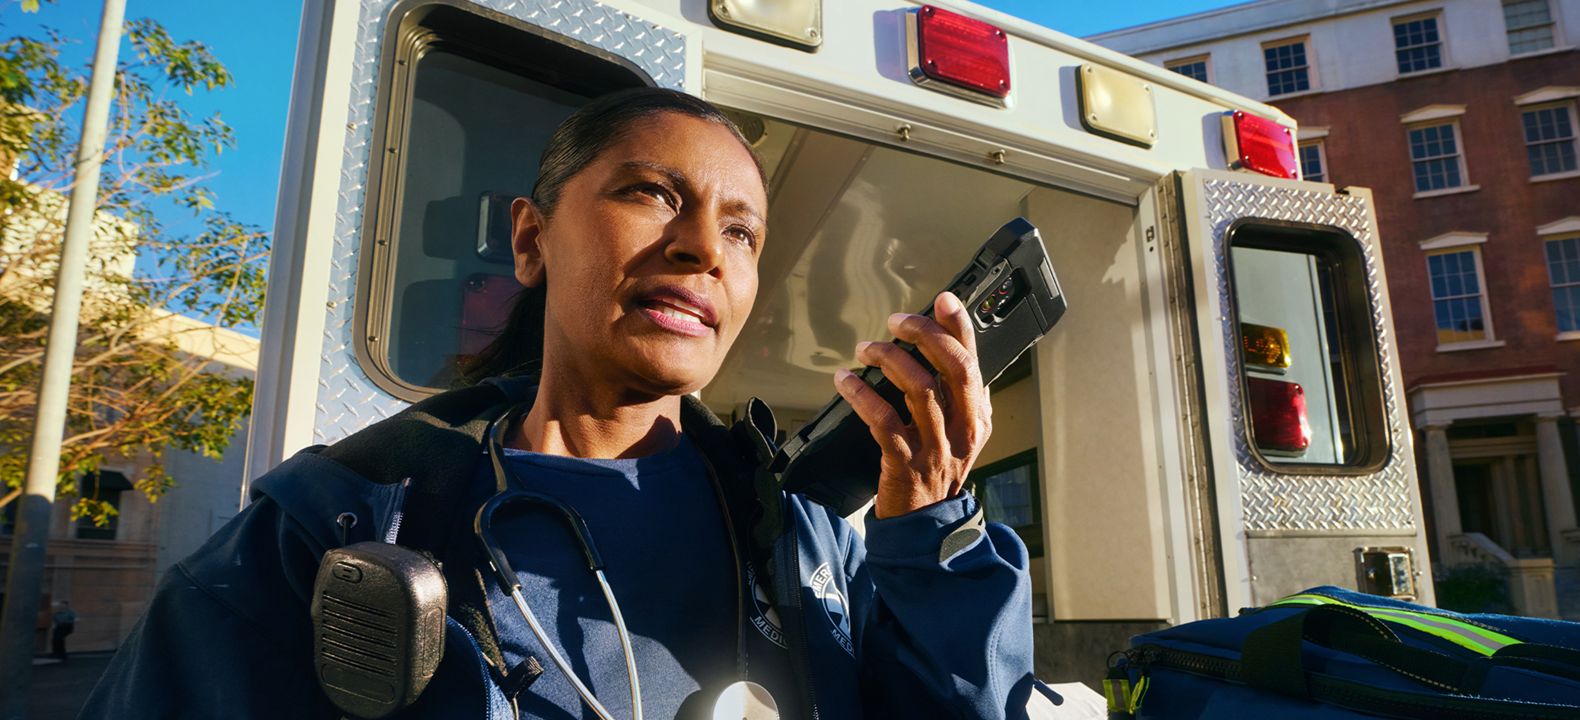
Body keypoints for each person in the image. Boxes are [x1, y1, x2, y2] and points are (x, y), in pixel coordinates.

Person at [81, 88, 1036, 719]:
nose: (704, 246)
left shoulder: (804, 537)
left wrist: (937, 533)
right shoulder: (331, 528)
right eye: (653, 194)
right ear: (531, 241)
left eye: (742, 231)